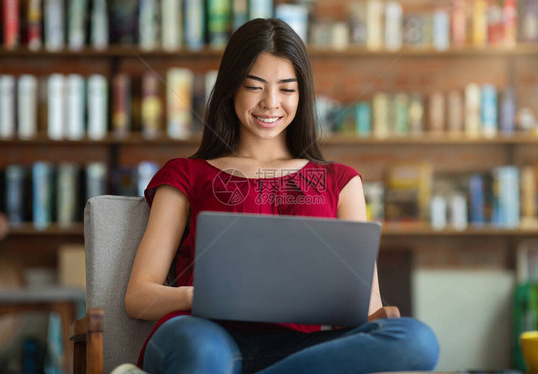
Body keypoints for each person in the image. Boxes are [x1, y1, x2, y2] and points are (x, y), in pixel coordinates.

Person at [124, 18, 439, 374]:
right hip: (202, 334)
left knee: (417, 340)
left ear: (302, 95)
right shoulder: (187, 173)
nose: (270, 103)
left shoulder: (341, 181)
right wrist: (194, 296)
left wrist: (361, 315)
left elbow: (367, 308)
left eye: (286, 89)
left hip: (300, 351)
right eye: (254, 87)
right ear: (231, 89)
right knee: (203, 356)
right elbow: (138, 296)